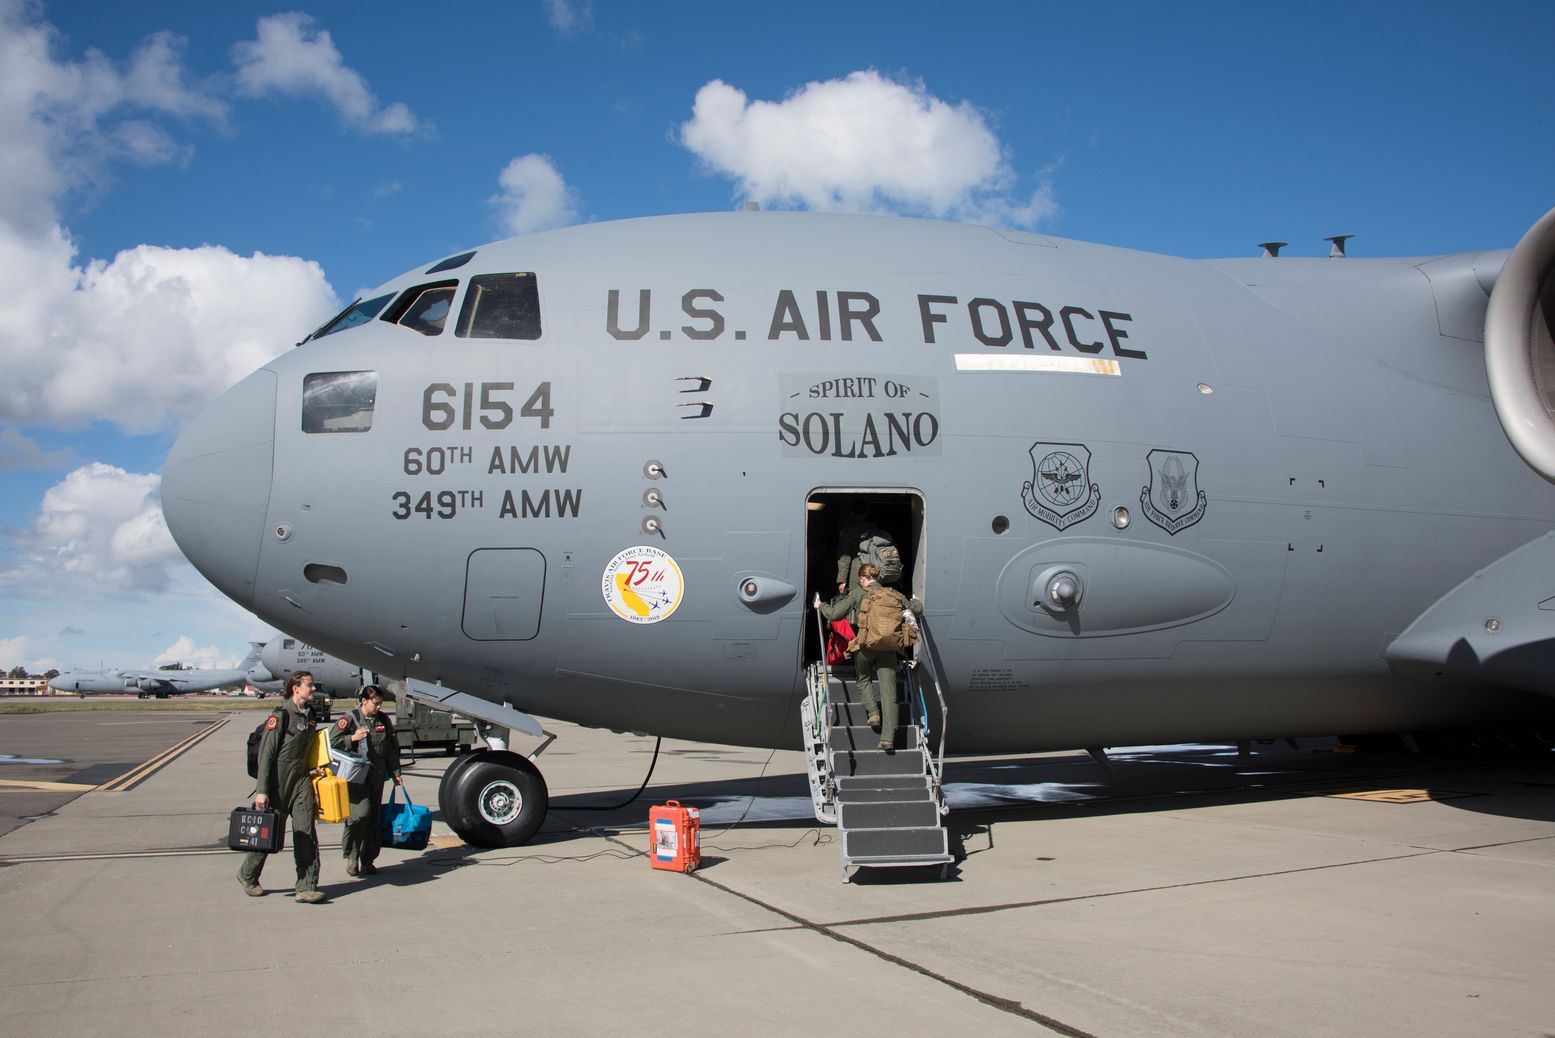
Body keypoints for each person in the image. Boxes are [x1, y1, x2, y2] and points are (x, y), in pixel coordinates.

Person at [239, 670, 326, 903]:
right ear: (296, 688)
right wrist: (262, 791)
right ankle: (248, 875)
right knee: (270, 833)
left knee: (306, 831)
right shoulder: (280, 716)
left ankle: (306, 886)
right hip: (278, 782)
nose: (314, 689)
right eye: (310, 685)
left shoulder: (310, 716)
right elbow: (266, 756)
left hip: (301, 780)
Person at [815, 564, 923, 751]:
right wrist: (917, 600)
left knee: (863, 677)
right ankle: (888, 739)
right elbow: (917, 608)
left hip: (865, 646)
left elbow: (834, 614)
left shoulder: (858, 593)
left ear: (863, 579)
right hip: (889, 649)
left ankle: (873, 713)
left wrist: (820, 605)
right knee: (889, 693)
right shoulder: (894, 594)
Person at [329, 684, 403, 876]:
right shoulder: (350, 719)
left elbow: (391, 748)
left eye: (380, 703)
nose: (378, 707)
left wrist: (395, 772)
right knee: (360, 815)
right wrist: (352, 738)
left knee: (374, 819)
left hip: (377, 776)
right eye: (375, 703)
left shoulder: (383, 720)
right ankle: (352, 855)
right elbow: (332, 742)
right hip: (355, 778)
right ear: (364, 701)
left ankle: (368, 859)